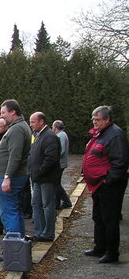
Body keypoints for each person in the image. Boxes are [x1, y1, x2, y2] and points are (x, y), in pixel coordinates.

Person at [82, 105, 129, 264]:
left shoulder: (115, 135)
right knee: (98, 216)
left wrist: (108, 180)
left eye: (97, 119)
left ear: (107, 120)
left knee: (110, 219)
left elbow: (120, 161)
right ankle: (99, 247)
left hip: (109, 185)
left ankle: (112, 252)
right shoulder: (101, 133)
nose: (94, 122)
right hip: (98, 185)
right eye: (93, 119)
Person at [0, 99, 32, 241]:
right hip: (10, 175)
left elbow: (15, 155)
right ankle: (19, 243)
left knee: (9, 211)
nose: (1, 115)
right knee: (15, 209)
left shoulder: (17, 129)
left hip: (9, 177)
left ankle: (13, 246)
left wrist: (7, 177)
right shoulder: (20, 127)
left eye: (3, 112)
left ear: (13, 112)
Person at [28, 112, 61, 242]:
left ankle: (48, 233)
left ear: (41, 122)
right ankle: (39, 231)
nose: (30, 125)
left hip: (46, 179)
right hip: (37, 178)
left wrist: (39, 172)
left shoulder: (49, 137)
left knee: (47, 205)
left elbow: (51, 159)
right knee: (36, 204)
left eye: (33, 122)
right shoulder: (37, 135)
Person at [52, 120, 73, 210]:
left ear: (55, 127)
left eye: (52, 127)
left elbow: (61, 150)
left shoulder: (61, 136)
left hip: (59, 164)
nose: (52, 128)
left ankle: (67, 201)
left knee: (56, 184)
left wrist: (53, 158)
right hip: (60, 163)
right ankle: (57, 203)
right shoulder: (62, 135)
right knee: (56, 184)